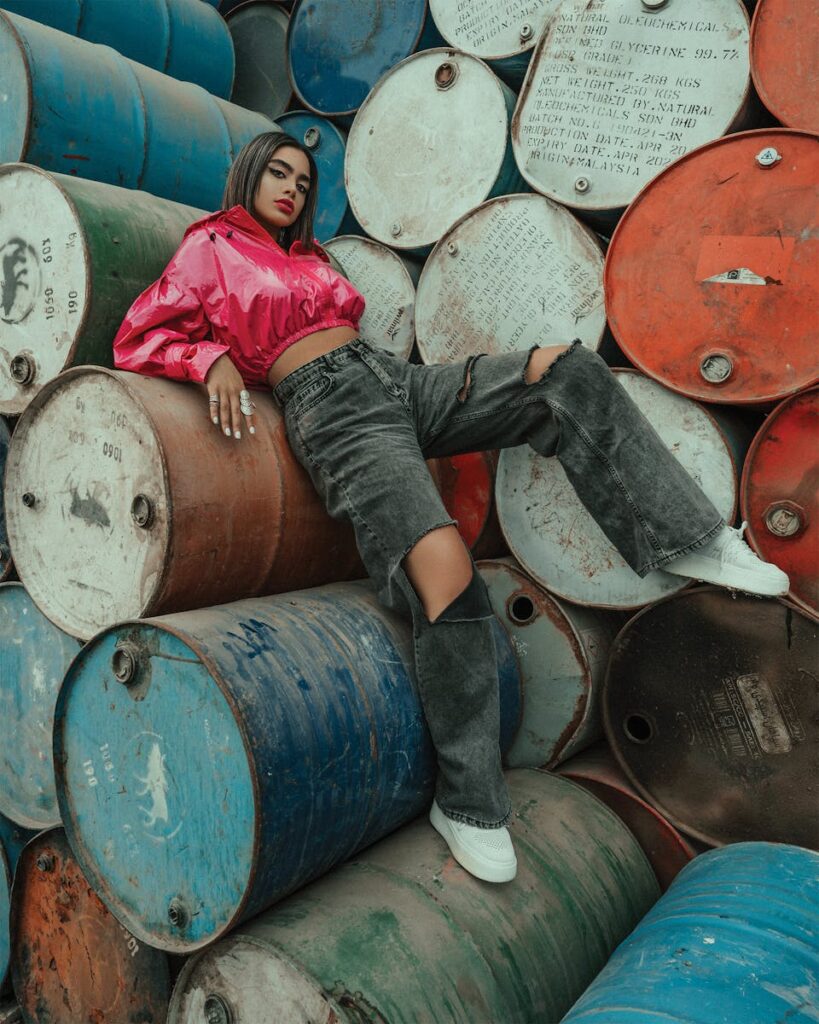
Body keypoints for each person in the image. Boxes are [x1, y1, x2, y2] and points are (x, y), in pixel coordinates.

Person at [114, 132, 789, 885]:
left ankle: (681, 537)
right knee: (445, 575)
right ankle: (468, 801)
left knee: (559, 371)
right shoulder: (208, 247)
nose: (291, 191)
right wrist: (207, 359)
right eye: (277, 173)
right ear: (245, 174)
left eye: (303, 182)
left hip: (395, 383)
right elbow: (141, 334)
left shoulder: (309, 257)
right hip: (332, 410)